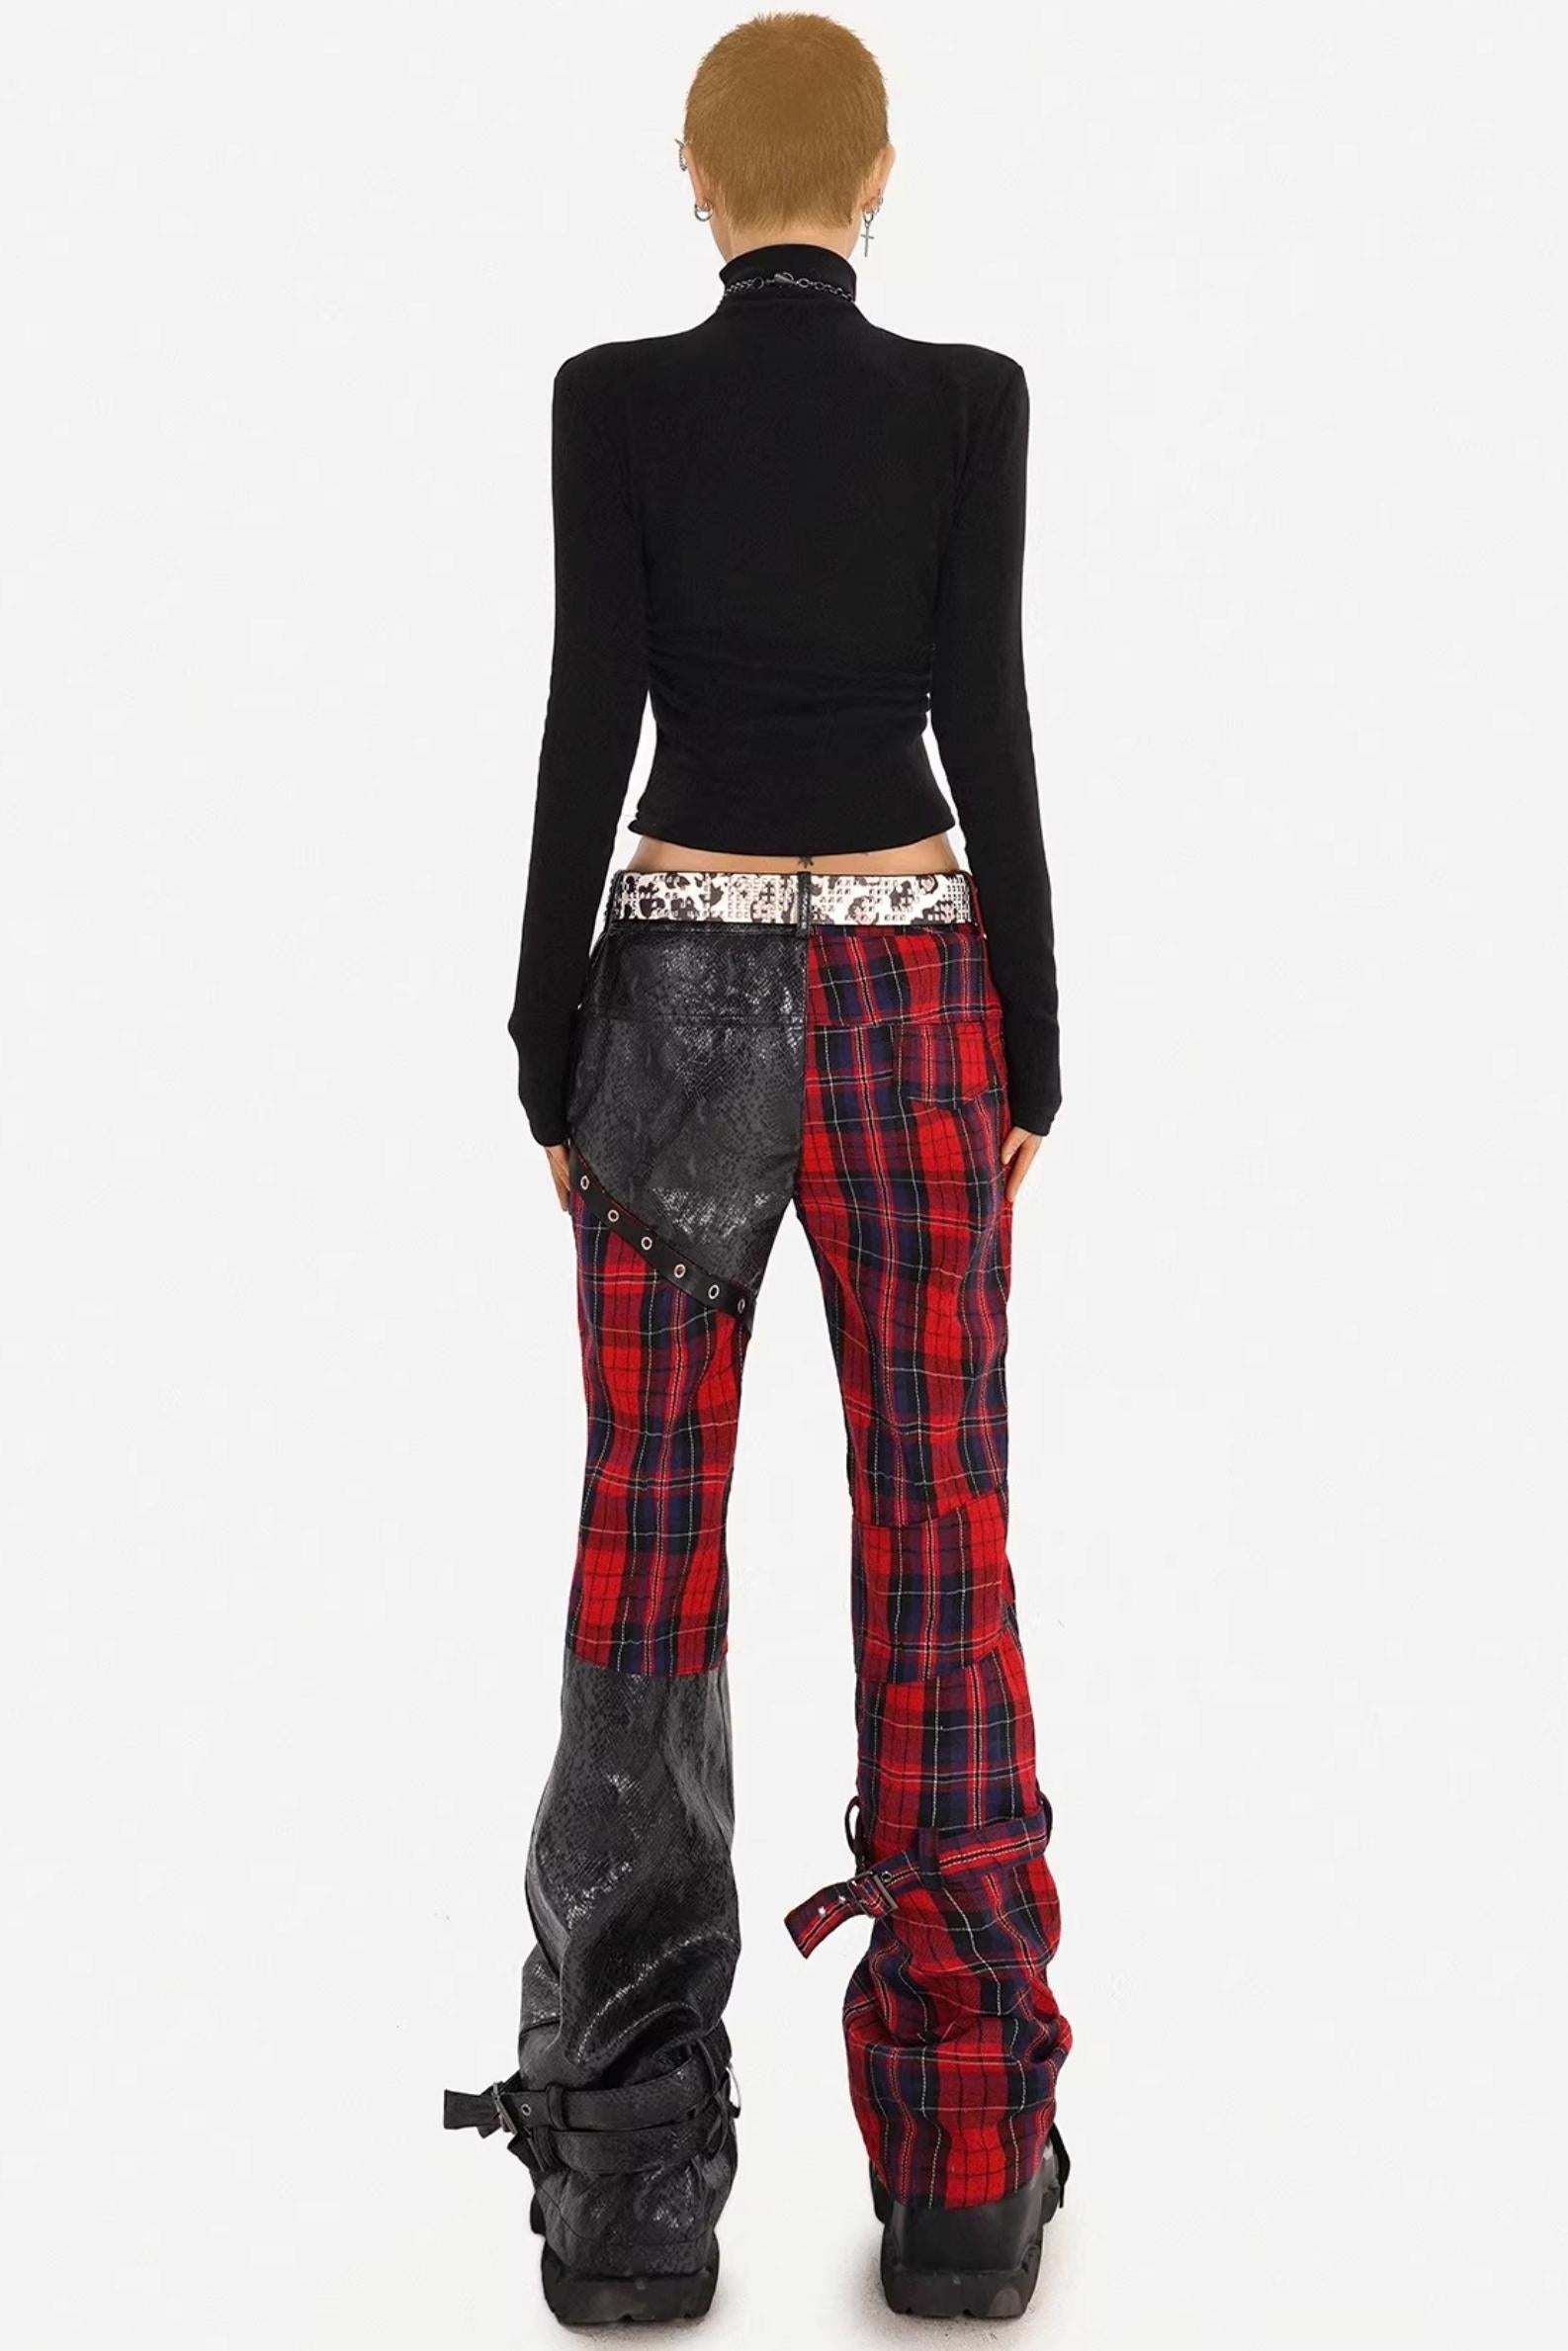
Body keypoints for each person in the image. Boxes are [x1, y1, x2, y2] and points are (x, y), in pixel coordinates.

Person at [445, 11, 1072, 2326]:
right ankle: (966, 2169)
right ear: (877, 179)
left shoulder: (611, 398)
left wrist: (547, 1046)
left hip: (675, 1004)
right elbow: (982, 712)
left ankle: (623, 2184)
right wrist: (1032, 1044)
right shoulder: (968, 400)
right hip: (917, 1001)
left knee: (646, 1558)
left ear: (694, 182)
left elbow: (583, 712)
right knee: (939, 1535)